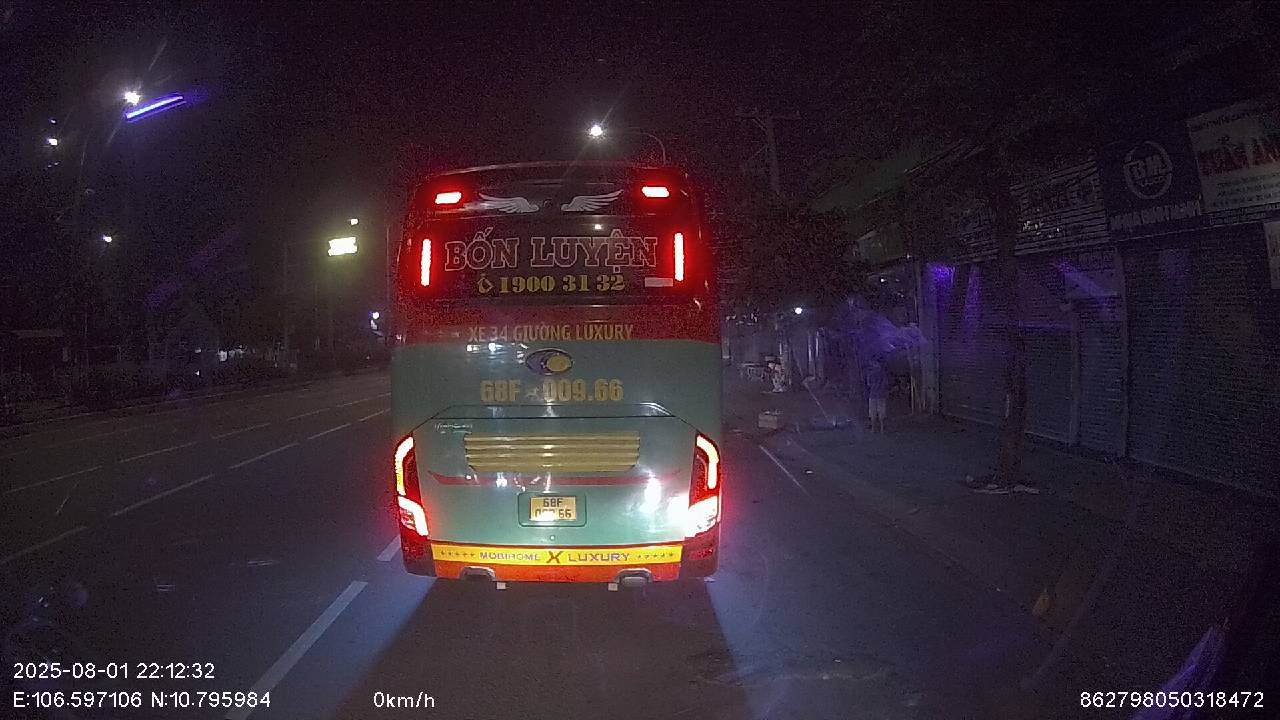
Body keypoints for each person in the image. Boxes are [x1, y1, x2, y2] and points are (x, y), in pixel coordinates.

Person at [865, 359, 889, 432]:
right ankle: (882, 429)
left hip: (873, 394)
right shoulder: (883, 373)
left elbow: (868, 384)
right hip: (881, 395)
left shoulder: (870, 373)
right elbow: (885, 383)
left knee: (873, 412)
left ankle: (873, 429)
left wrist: (874, 386)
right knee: (881, 412)